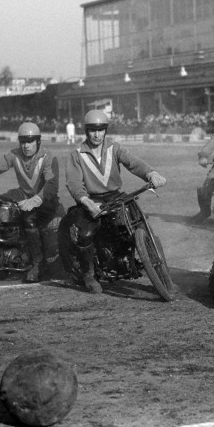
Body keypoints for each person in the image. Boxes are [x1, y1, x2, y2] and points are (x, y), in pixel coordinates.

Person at [64, 109, 167, 294]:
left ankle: (162, 273)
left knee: (140, 223)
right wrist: (87, 203)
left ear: (106, 130)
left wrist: (151, 173)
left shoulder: (115, 148)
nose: (97, 134)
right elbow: (73, 183)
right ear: (86, 131)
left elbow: (134, 163)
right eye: (92, 130)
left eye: (101, 130)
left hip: (116, 196)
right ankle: (89, 274)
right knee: (86, 233)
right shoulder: (76, 154)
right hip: (91, 200)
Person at [0, 122, 63, 283]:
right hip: (23, 195)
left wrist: (35, 200)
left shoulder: (48, 157)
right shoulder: (14, 155)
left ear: (38, 142)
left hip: (46, 200)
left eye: (30, 141)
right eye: (23, 142)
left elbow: (51, 185)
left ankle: (38, 263)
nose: (26, 146)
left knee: (29, 219)